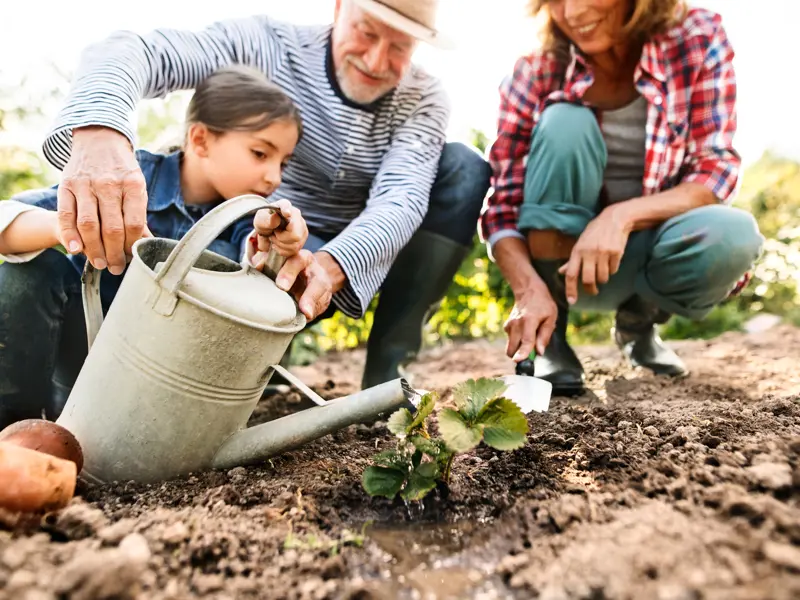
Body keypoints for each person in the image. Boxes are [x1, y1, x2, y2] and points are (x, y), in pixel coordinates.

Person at [41, 0, 493, 390]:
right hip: (258, 240)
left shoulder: (425, 97)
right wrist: (100, 131)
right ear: (338, 8)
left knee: (464, 167)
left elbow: (401, 199)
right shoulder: (266, 47)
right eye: (366, 31)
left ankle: (387, 371)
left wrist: (328, 267)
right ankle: (256, 348)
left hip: (350, 256)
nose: (377, 60)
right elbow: (135, 50)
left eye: (400, 47)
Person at [0, 66, 331, 429]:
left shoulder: (243, 220)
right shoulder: (130, 178)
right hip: (83, 367)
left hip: (164, 396)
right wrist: (65, 227)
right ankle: (14, 431)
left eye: (283, 163)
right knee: (32, 272)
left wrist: (277, 242)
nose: (275, 176)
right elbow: (7, 221)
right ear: (201, 139)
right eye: (260, 153)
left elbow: (259, 271)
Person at [481, 0, 764, 396]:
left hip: (644, 259)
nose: (573, 12)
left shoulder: (696, 37)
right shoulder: (537, 67)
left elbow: (714, 169)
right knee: (565, 122)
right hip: (562, 264)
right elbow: (503, 206)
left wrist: (622, 216)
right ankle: (552, 336)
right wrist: (528, 289)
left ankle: (638, 324)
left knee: (734, 234)